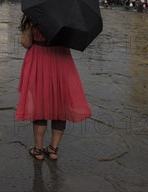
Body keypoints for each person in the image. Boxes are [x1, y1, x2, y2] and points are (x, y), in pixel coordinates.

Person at [16, 14, 92, 161]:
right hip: (61, 60)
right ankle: (53, 149)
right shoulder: (67, 14)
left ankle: (38, 150)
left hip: (39, 59)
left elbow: (26, 42)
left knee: (40, 103)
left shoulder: (33, 13)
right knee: (60, 104)